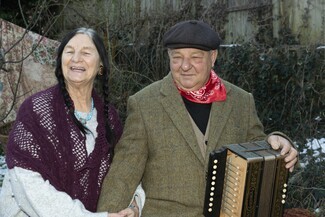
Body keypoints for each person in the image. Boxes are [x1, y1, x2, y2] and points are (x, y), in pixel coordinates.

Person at [96, 20, 298, 217]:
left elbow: (258, 149)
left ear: (213, 57)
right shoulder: (144, 103)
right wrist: (107, 213)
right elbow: (124, 172)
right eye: (177, 57)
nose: (185, 66)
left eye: (195, 57)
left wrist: (279, 141)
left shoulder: (241, 101)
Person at [0, 28, 144, 217]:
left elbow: (127, 167)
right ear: (61, 62)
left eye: (86, 52)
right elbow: (26, 183)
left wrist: (135, 204)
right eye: (69, 51)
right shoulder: (35, 111)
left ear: (100, 65)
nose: (76, 58)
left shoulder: (109, 118)